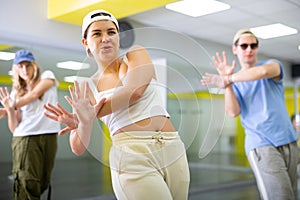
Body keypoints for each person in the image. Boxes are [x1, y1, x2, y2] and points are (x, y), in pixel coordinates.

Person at [43, 9, 190, 200]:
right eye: (97, 33)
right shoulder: (85, 86)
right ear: (85, 42)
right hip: (132, 155)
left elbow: (134, 91)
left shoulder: (136, 54)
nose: (106, 38)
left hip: (172, 148)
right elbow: (78, 147)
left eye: (111, 32)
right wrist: (84, 123)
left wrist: (87, 116)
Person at [201, 29, 298, 199]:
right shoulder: (234, 82)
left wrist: (227, 79)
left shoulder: (273, 66)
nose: (249, 49)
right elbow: (233, 112)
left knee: (290, 193)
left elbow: (261, 73)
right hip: (261, 144)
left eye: (253, 45)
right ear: (235, 49)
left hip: (289, 141)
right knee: (281, 197)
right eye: (244, 45)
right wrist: (227, 85)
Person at [0, 49, 60, 200]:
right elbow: (14, 127)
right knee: (27, 184)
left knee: (43, 182)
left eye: (28, 65)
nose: (24, 70)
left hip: (49, 135)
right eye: (20, 66)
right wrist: (10, 110)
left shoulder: (47, 76)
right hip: (26, 138)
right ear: (15, 69)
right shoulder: (16, 92)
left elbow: (33, 95)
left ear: (34, 65)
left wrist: (11, 106)